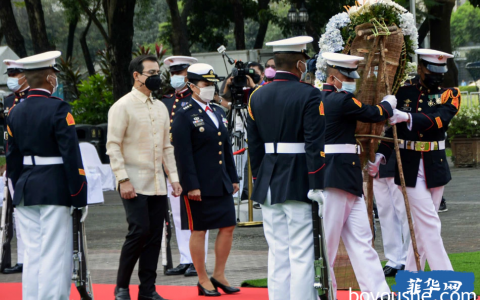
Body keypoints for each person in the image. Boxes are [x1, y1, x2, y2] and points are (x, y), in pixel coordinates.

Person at [247, 36, 326, 300]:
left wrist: (259, 180)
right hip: (298, 179)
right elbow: (314, 144)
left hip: (268, 180)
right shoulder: (309, 94)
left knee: (278, 251)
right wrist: (317, 183)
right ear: (300, 64)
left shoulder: (257, 96)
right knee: (302, 252)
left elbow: (254, 146)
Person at [7, 50, 88, 299]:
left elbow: (13, 158)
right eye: (54, 74)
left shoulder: (15, 111)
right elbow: (71, 156)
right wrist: (79, 194)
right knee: (55, 253)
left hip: (26, 188)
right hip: (55, 188)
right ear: (50, 78)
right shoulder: (59, 109)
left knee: (32, 254)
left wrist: (16, 188)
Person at [369, 49, 459, 272]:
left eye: (440, 70)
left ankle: (410, 278)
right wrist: (381, 154)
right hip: (409, 165)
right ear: (420, 68)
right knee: (429, 223)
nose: (436, 75)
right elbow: (393, 131)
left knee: (422, 230)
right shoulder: (404, 91)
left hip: (435, 165)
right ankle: (448, 281)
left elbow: (439, 119)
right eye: (431, 70)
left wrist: (408, 116)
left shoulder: (451, 94)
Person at [320, 52, 395, 299]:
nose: (351, 80)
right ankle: (324, 292)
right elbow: (374, 113)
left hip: (346, 175)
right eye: (346, 76)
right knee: (327, 245)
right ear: (332, 77)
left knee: (362, 238)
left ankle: (377, 292)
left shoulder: (330, 99)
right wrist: (388, 104)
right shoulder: (338, 100)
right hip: (334, 175)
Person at [107, 54, 182, 300]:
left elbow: (167, 147)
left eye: (158, 72)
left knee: (155, 236)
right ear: (136, 75)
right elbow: (113, 146)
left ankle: (148, 290)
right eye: (151, 73)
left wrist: (174, 178)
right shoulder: (122, 106)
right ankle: (121, 287)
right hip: (133, 182)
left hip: (158, 184)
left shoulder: (160, 107)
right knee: (138, 231)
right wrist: (122, 179)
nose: (156, 77)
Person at [171, 63, 240, 297]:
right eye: (205, 84)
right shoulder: (183, 113)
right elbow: (183, 154)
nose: (210, 88)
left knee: (228, 226)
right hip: (198, 184)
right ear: (191, 86)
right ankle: (202, 278)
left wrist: (233, 177)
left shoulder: (217, 111)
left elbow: (226, 148)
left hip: (220, 181)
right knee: (198, 230)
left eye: (212, 83)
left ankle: (219, 274)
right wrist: (191, 185)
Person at [161, 55, 208, 277]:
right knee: (178, 215)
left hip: (195, 165)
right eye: (173, 74)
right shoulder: (166, 101)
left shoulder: (199, 100)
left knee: (197, 214)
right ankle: (184, 258)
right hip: (172, 167)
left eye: (180, 73)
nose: (176, 78)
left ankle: (198, 260)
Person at [1, 59, 29, 275]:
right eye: (9, 73)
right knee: (17, 215)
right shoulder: (9, 100)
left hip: (30, 165)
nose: (11, 78)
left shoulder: (34, 98)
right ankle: (21, 259)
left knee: (27, 214)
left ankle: (28, 258)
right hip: (13, 165)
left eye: (15, 73)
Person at [371, 154, 410, 276]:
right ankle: (394, 259)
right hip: (375, 165)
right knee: (385, 214)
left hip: (397, 160)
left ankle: (409, 259)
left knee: (405, 213)